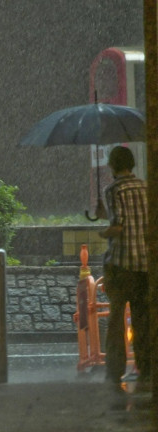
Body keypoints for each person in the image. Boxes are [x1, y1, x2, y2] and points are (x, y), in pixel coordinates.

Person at [95, 146, 149, 389]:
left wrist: (102, 230)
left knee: (116, 319)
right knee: (142, 319)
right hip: (145, 266)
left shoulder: (113, 189)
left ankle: (115, 370)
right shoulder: (146, 187)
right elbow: (138, 219)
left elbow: (118, 226)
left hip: (121, 265)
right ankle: (146, 369)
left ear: (113, 166)